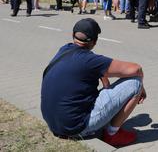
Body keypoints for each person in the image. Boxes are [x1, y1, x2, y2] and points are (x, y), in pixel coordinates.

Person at [41, 18, 146, 147]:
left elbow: (86, 68)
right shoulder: (90, 61)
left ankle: (106, 123)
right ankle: (112, 134)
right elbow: (136, 69)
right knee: (135, 83)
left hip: (54, 123)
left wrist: (102, 75)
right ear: (95, 41)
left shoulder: (65, 49)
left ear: (73, 36)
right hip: (76, 128)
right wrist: (142, 89)